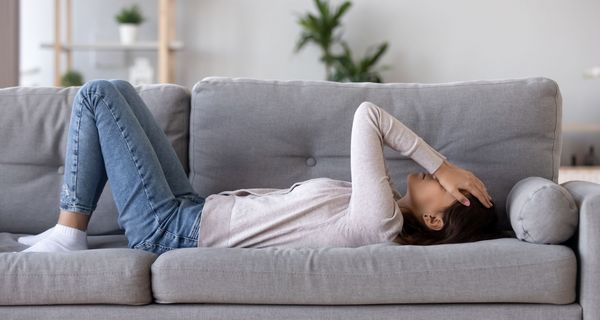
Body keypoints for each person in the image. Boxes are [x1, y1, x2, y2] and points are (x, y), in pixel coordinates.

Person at [19, 79, 498, 255]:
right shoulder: (379, 207)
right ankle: (67, 233)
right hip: (191, 209)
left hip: (171, 229)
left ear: (434, 219)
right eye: (448, 178)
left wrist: (445, 162)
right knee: (121, 90)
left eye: (450, 188)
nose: (441, 178)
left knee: (97, 94)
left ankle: (69, 231)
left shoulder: (380, 221)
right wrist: (446, 171)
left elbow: (367, 115)